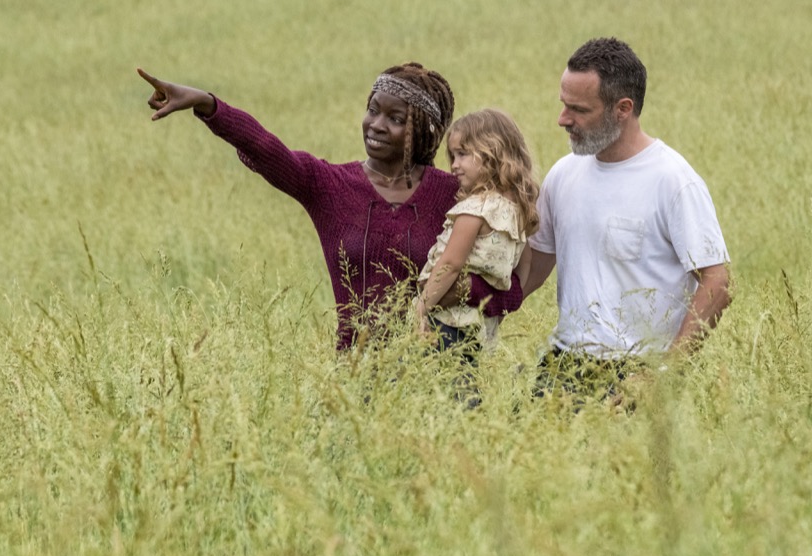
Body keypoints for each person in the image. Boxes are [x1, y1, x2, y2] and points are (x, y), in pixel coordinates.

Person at [137, 64, 523, 350]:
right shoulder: (330, 186)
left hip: (439, 368)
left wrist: (460, 289)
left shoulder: (455, 195)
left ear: (422, 130)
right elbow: (267, 149)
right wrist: (207, 105)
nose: (376, 124)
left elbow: (508, 283)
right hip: (355, 373)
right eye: (373, 110)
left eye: (395, 118)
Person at [522, 37, 731, 397]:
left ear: (623, 108)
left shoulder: (673, 181)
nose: (562, 119)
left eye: (578, 110)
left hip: (639, 371)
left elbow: (717, 282)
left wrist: (663, 374)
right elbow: (532, 271)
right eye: (563, 105)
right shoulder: (562, 175)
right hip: (562, 367)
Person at [415, 109, 539, 356]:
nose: (454, 165)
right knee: (468, 389)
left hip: (447, 321)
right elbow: (524, 265)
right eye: (453, 156)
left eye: (462, 154)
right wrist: (500, 311)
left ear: (493, 153)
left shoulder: (475, 209)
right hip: (481, 327)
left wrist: (421, 309)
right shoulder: (519, 212)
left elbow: (450, 263)